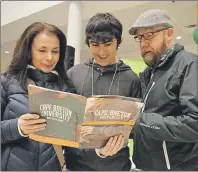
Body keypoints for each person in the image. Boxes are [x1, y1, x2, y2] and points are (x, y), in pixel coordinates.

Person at [63, 12, 142, 171]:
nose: (101, 52)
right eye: (95, 44)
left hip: (116, 165)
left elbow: (136, 128)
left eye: (107, 44)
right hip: (75, 165)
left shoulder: (131, 79)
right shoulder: (74, 74)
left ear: (118, 42)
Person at [129, 9, 198, 171]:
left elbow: (194, 123)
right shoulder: (149, 73)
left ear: (169, 34)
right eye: (139, 37)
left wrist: (140, 122)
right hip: (146, 166)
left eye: (149, 35)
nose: (143, 43)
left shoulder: (189, 64)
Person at [1, 22, 75, 171]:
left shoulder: (66, 88)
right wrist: (17, 127)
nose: (49, 57)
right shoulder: (6, 83)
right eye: (42, 50)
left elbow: (73, 142)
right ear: (28, 51)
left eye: (55, 51)